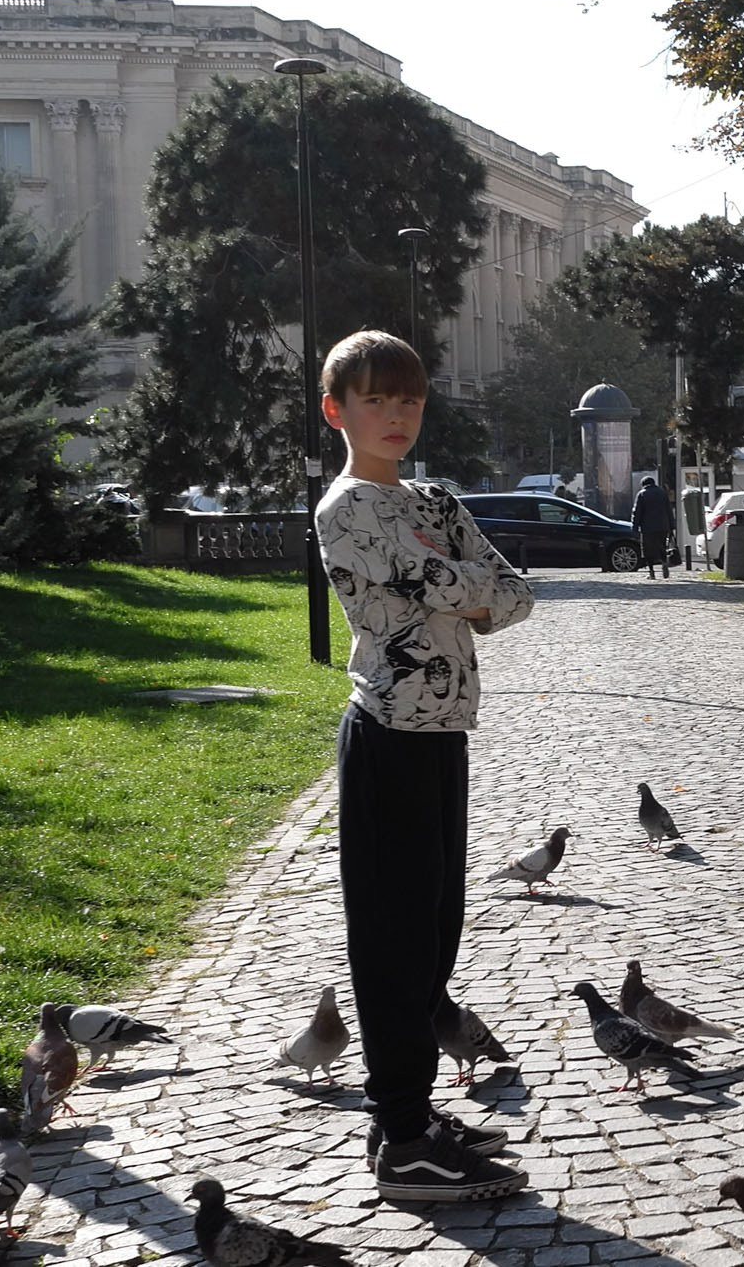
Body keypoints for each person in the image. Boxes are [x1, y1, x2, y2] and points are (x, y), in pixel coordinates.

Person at [315, 330, 534, 1202]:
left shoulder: (434, 498)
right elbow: (451, 583)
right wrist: (458, 579)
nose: (396, 415)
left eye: (408, 400)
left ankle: (406, 1116)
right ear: (337, 411)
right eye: (376, 400)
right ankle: (404, 1139)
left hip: (444, 734)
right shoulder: (344, 510)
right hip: (387, 736)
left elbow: (513, 595)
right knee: (393, 940)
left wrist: (445, 578)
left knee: (436, 931)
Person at [631, 475, 673, 578]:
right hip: (662, 526)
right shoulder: (662, 493)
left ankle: (651, 572)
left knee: (647, 550)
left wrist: (635, 527)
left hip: (647, 527)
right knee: (662, 546)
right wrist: (671, 526)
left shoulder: (642, 494)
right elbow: (669, 511)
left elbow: (637, 512)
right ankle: (664, 564)